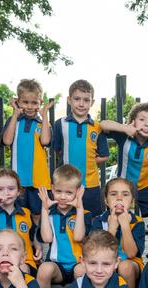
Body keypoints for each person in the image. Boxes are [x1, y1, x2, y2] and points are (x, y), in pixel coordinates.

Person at [35, 164, 92, 288]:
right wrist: (44, 210)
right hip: (57, 266)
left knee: (82, 271)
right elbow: (46, 238)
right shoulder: (51, 214)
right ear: (52, 188)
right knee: (44, 269)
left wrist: (79, 208)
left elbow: (79, 236)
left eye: (69, 193)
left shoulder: (85, 215)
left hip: (78, 263)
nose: (63, 197)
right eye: (58, 191)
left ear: (78, 191)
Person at [52, 79, 109, 216]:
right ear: (69, 100)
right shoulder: (60, 124)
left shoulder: (97, 127)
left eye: (86, 100)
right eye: (77, 99)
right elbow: (58, 150)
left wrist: (88, 160)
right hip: (66, 184)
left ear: (92, 102)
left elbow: (105, 155)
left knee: (93, 218)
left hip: (90, 184)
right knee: (66, 218)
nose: (81, 104)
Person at [1, 79, 53, 224]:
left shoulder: (42, 124)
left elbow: (45, 141)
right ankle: (22, 243)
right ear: (18, 102)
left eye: (34, 103)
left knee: (37, 214)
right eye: (25, 102)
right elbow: (7, 141)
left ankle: (37, 245)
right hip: (19, 180)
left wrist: (44, 117)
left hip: (39, 179)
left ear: (40, 102)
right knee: (19, 213)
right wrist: (14, 114)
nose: (29, 107)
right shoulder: (14, 122)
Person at [91, 178, 145, 288]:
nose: (119, 198)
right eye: (113, 194)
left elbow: (131, 254)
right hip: (103, 261)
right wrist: (112, 228)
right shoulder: (98, 221)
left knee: (125, 266)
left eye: (125, 194)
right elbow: (99, 253)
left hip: (130, 264)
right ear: (106, 201)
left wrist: (125, 225)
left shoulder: (137, 222)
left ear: (132, 201)